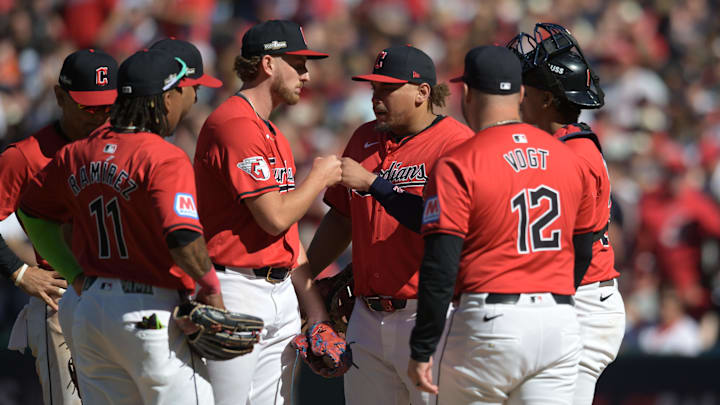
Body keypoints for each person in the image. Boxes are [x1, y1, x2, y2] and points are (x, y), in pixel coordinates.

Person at [17, 48, 221, 405]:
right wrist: (212, 291)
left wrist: (75, 274)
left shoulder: (77, 153)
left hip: (92, 313)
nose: (187, 103)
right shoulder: (162, 156)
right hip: (149, 316)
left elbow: (32, 212)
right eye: (183, 93)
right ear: (164, 97)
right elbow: (183, 237)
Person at [407, 45, 597, 405]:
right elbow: (584, 247)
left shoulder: (459, 161)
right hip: (558, 321)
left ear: (466, 93)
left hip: (491, 320)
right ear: (521, 93)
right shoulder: (568, 156)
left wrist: (422, 346)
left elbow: (440, 265)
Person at [306, 44, 474, 405]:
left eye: (387, 89)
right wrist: (304, 277)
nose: (376, 98)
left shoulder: (456, 145)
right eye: (374, 89)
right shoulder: (363, 138)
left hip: (429, 314)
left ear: (422, 93)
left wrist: (374, 184)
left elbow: (446, 223)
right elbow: (341, 217)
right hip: (365, 317)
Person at [193, 19, 343, 405]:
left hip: (278, 293)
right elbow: (274, 216)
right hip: (235, 289)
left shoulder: (271, 133)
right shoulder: (233, 124)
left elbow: (286, 233)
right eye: (299, 63)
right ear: (269, 64)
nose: (307, 75)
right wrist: (319, 177)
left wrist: (316, 311)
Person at [507, 22, 626, 404]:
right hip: (572, 296)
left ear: (546, 99)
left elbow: (581, 249)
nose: (518, 95)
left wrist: (546, 311)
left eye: (527, 87)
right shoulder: (560, 144)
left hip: (581, 300)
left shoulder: (573, 153)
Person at [1, 48, 117, 405]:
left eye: (107, 105)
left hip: (122, 296)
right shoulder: (24, 156)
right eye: (87, 106)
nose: (98, 116)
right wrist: (19, 271)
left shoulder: (126, 145)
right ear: (60, 97)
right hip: (62, 299)